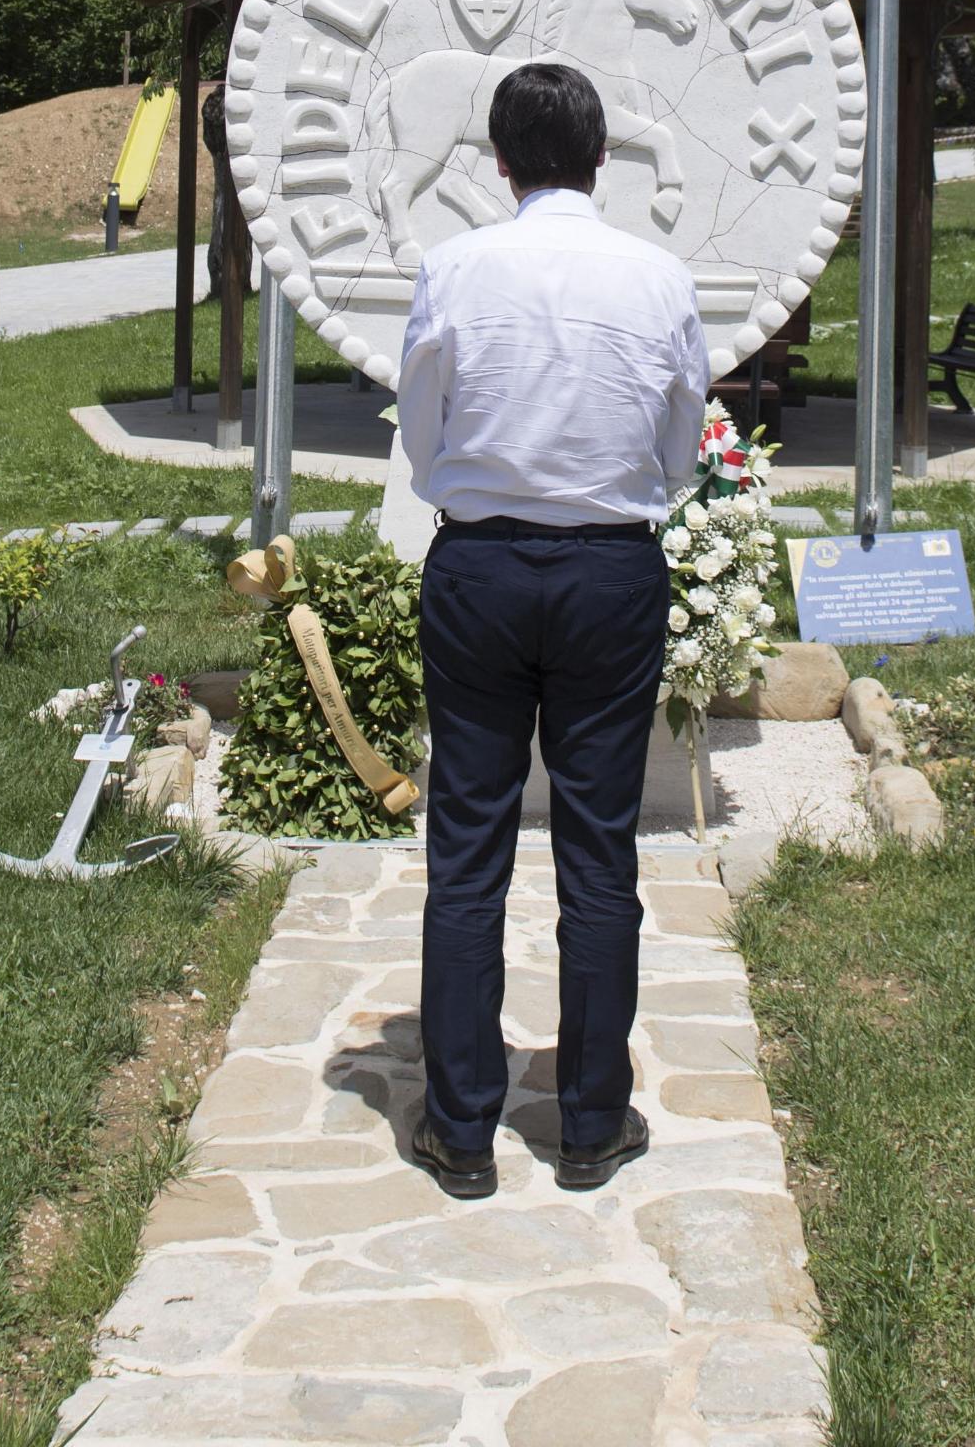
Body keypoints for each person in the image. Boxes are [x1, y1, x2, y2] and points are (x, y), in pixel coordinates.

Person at [395, 61, 708, 1199]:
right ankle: (587, 1121)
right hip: (607, 571)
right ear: (599, 158)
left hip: (477, 564)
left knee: (467, 847)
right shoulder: (656, 274)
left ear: (498, 162)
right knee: (597, 850)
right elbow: (681, 439)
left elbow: (421, 436)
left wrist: (481, 491)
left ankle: (462, 1126)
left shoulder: (453, 265)